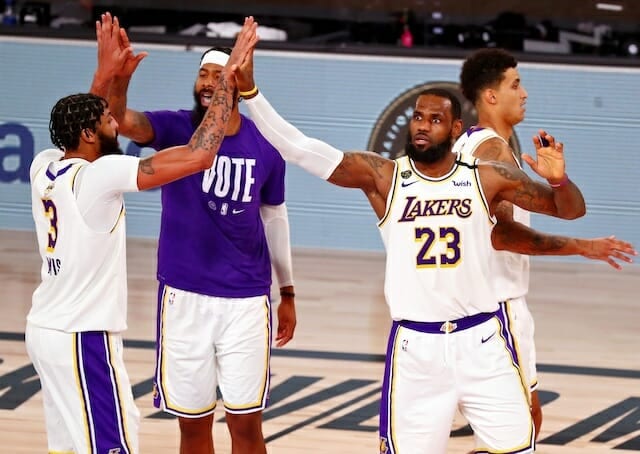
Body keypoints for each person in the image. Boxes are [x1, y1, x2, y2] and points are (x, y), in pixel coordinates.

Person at [237, 52, 635, 450]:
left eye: (435, 119)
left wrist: (559, 180)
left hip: (482, 340)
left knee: (519, 444)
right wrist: (252, 93)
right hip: (417, 347)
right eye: (418, 117)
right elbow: (298, 147)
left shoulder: (486, 178)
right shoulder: (386, 177)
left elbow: (570, 210)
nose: (423, 126)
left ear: (455, 128)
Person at [25, 18, 257, 454]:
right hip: (83, 336)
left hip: (43, 330)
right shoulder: (99, 175)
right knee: (113, 445)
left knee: (68, 447)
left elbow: (85, 120)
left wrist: (105, 73)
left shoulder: (45, 165)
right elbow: (199, 155)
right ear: (89, 134)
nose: (115, 124)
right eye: (106, 122)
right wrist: (227, 83)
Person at [91, 13, 297, 454]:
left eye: (218, 75)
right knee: (193, 428)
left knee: (246, 427)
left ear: (237, 81)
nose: (207, 82)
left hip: (246, 299)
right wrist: (120, 79)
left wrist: (289, 292)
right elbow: (120, 120)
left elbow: (275, 219)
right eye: (202, 74)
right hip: (183, 296)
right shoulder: (176, 127)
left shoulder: (266, 145)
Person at [455, 47, 637, 441]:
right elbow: (504, 235)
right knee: (523, 426)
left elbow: (567, 207)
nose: (524, 93)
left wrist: (557, 181)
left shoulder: (464, 146)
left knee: (511, 428)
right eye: (515, 85)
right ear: (491, 95)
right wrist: (583, 247)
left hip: (464, 304)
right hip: (496, 306)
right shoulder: (493, 153)